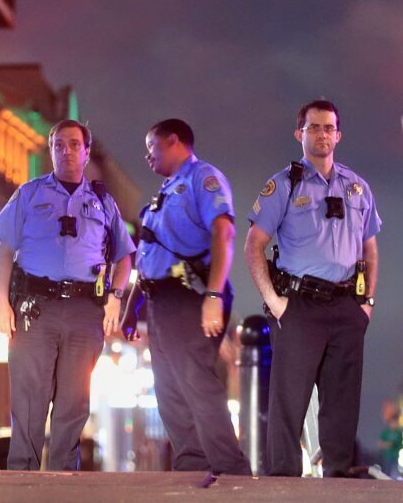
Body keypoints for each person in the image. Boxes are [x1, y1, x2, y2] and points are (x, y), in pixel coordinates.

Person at [0, 119, 135, 471]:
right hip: (35, 309)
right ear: (50, 151)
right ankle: (21, 477)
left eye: (73, 144)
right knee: (29, 396)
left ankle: (63, 480)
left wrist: (115, 296)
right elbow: (4, 253)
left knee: (73, 400)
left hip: (85, 312)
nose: (65, 151)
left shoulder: (103, 202)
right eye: (58, 145)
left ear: (86, 152)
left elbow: (125, 257)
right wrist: (1, 301)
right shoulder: (29, 194)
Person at [245, 99, 380, 478]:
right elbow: (253, 244)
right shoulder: (284, 185)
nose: (322, 134)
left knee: (342, 400)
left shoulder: (357, 187)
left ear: (338, 134)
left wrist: (366, 301)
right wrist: (274, 301)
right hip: (299, 306)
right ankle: (284, 482)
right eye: (314, 127)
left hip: (346, 305)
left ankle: (337, 476)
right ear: (299, 133)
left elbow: (370, 248)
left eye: (329, 127)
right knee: (289, 401)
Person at [130, 118, 252, 478]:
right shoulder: (166, 189)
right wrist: (132, 308)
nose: (147, 156)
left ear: (173, 141)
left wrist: (214, 294)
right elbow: (151, 253)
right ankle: (190, 467)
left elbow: (224, 232)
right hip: (160, 301)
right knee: (169, 390)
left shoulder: (202, 178)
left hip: (190, 296)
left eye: (152, 147)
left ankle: (231, 471)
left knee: (194, 382)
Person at [378, 401, 402, 479]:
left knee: (394, 473)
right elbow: (380, 443)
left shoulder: (399, 431)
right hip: (387, 457)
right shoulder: (387, 431)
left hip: (396, 457)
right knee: (386, 473)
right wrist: (388, 444)